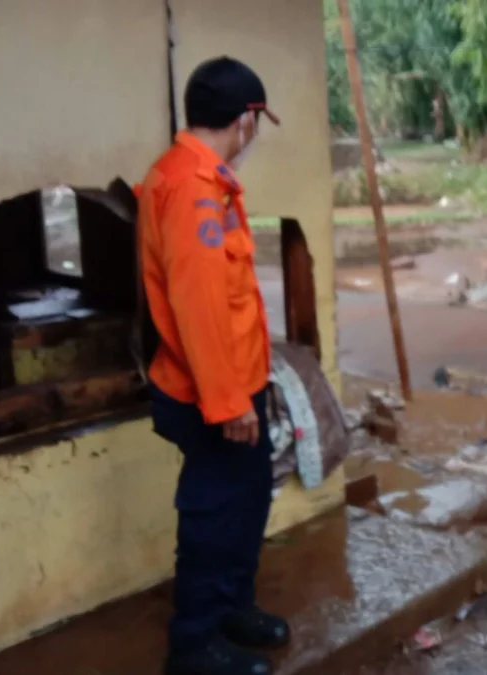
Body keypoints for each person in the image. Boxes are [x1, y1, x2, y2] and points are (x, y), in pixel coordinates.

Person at [137, 56, 286, 675]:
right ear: (246, 120)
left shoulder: (202, 177)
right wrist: (228, 404)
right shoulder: (193, 189)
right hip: (209, 394)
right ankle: (194, 643)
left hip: (236, 385)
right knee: (213, 510)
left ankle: (232, 607)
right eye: (258, 122)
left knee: (247, 496)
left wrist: (253, 384)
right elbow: (197, 308)